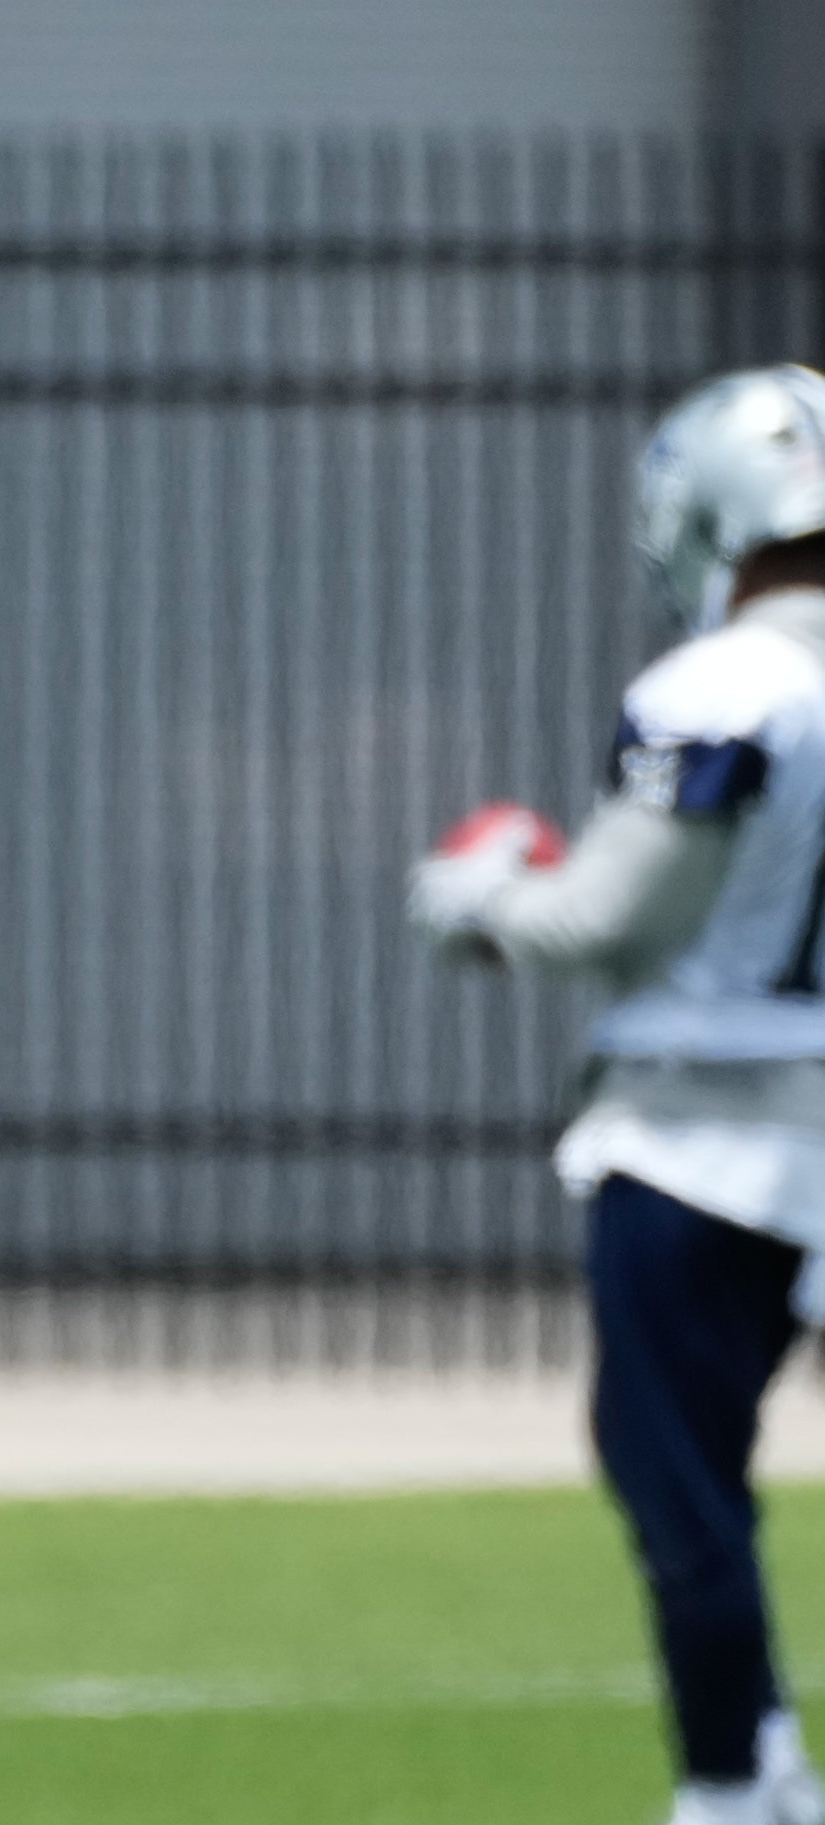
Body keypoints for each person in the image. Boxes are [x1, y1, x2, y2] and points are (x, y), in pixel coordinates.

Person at [410, 364, 825, 1825]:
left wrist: (478, 895)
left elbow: (606, 916)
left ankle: (733, 1780)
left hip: (704, 1140)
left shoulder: (723, 686)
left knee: (675, 1477)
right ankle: (763, 1752)